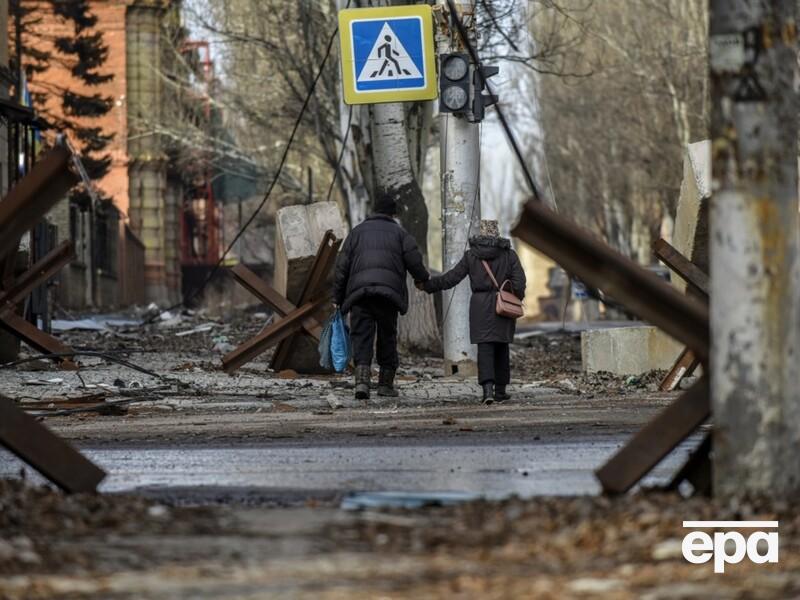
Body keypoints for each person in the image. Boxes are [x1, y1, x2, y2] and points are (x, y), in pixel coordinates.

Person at [333, 193, 430, 400]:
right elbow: (414, 261)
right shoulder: (401, 234)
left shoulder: (356, 233)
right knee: (387, 336)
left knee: (361, 336)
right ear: (393, 214)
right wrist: (422, 279)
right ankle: (385, 385)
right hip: (388, 295)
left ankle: (362, 383)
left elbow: (342, 268)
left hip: (360, 294)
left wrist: (338, 298)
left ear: (374, 210)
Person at [420, 220, 526, 404]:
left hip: (480, 306)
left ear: (481, 234)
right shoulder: (509, 255)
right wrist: (514, 296)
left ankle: (487, 392)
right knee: (502, 347)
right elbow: (519, 283)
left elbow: (451, 278)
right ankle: (501, 390)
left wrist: (429, 285)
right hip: (503, 305)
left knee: (485, 348)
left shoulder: (471, 256)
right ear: (497, 234)